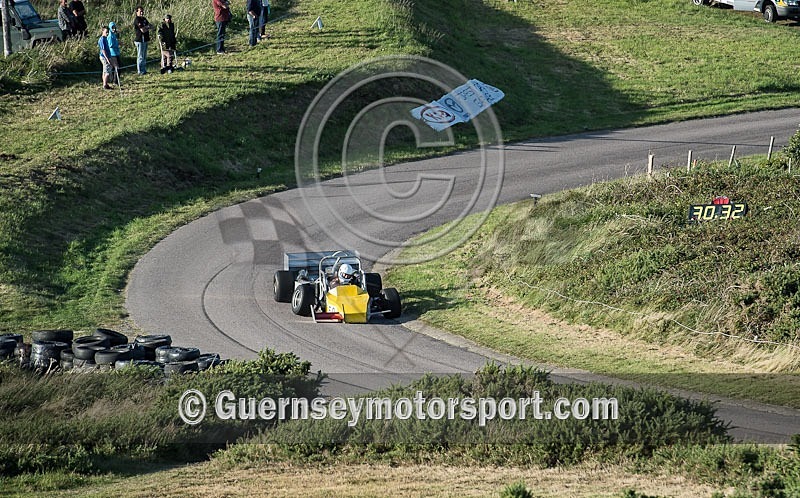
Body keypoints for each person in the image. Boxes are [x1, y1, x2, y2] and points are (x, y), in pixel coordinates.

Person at [132, 6, 151, 75]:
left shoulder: (144, 19)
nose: (142, 13)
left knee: (144, 55)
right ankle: (140, 71)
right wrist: (147, 27)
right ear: (137, 12)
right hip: (140, 40)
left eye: (142, 11)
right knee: (140, 56)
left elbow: (150, 26)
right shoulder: (137, 20)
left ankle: (144, 70)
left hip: (145, 39)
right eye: (140, 11)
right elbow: (142, 30)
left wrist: (147, 27)